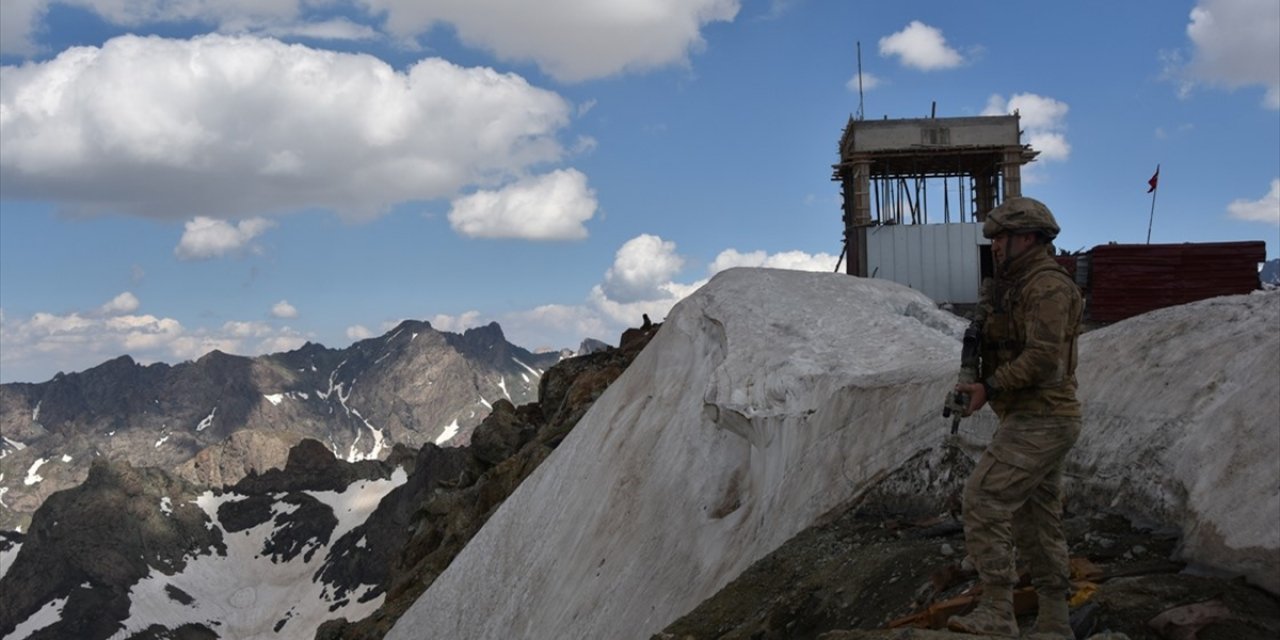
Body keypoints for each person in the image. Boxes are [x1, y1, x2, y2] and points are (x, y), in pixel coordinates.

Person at [947, 196, 1084, 639]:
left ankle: (997, 612)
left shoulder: (1047, 287)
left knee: (984, 499)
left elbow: (1043, 360)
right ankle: (1054, 621)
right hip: (1031, 416)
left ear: (1028, 237)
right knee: (1035, 519)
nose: (996, 246)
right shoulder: (1013, 285)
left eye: (1002, 237)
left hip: (1042, 417)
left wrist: (991, 387)